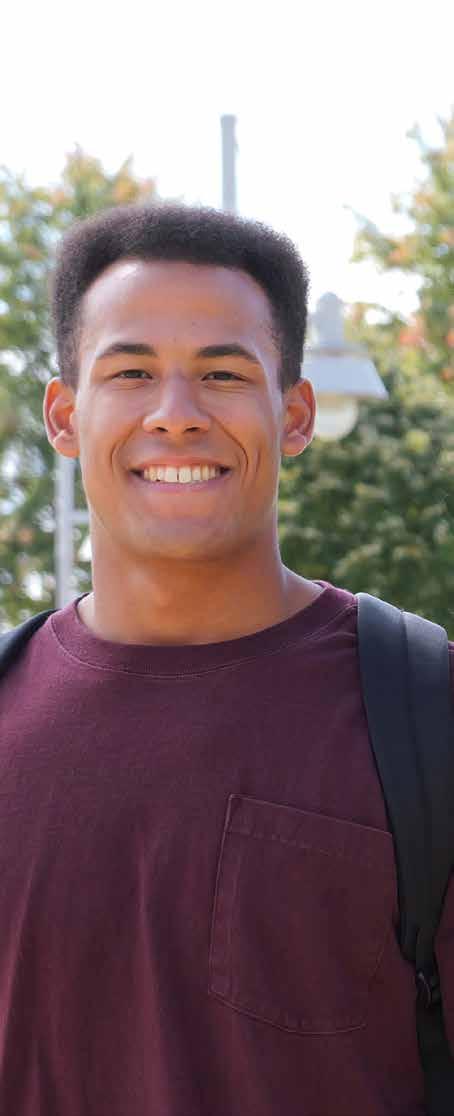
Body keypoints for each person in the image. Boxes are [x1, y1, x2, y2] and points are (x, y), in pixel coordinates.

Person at [0, 202, 452, 1116]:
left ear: (295, 415)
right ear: (64, 415)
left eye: (222, 373)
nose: (176, 415)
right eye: (131, 371)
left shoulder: (426, 712)